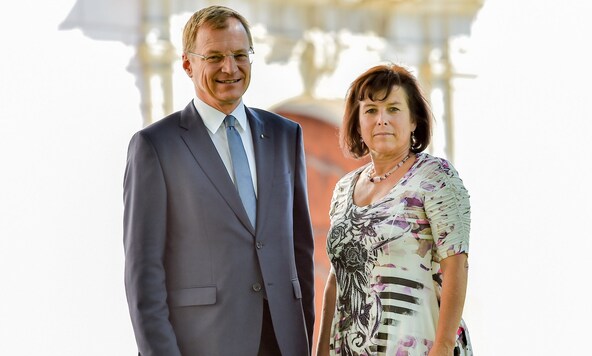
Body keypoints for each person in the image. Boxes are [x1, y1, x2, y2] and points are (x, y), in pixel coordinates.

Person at [123, 5, 315, 355]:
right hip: (204, 343)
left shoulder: (286, 135)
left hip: (283, 342)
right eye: (214, 57)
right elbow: (144, 276)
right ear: (187, 64)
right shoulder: (156, 146)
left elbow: (300, 251)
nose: (230, 67)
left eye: (240, 55)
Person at [316, 64, 473, 356]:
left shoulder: (435, 177)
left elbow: (456, 265)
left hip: (416, 345)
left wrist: (443, 347)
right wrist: (320, 350)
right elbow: (336, 278)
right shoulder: (343, 189)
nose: (382, 120)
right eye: (371, 110)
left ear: (414, 120)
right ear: (358, 122)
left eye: (393, 109)